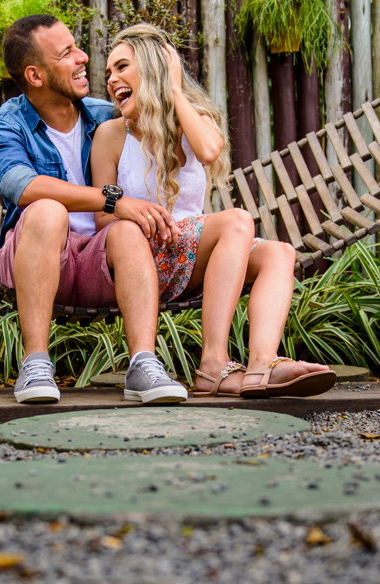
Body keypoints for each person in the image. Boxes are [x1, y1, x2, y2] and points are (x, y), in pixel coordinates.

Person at [90, 24, 336, 397]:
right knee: (237, 220)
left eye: (122, 67)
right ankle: (213, 364)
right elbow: (102, 217)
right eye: (108, 72)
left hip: (195, 259)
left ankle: (262, 364)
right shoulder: (110, 135)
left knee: (279, 253)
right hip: (143, 260)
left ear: (154, 68)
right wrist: (139, 213)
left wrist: (173, 89)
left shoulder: (191, 121)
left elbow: (208, 150)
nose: (112, 79)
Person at [0, 15, 189, 404]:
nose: (82, 58)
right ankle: (36, 362)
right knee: (47, 210)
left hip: (100, 261)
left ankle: (144, 365)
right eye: (66, 53)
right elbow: (20, 185)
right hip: (38, 256)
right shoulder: (5, 124)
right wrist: (112, 199)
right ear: (36, 75)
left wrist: (168, 79)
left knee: (126, 230)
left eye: (76, 46)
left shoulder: (107, 114)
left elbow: (171, 126)